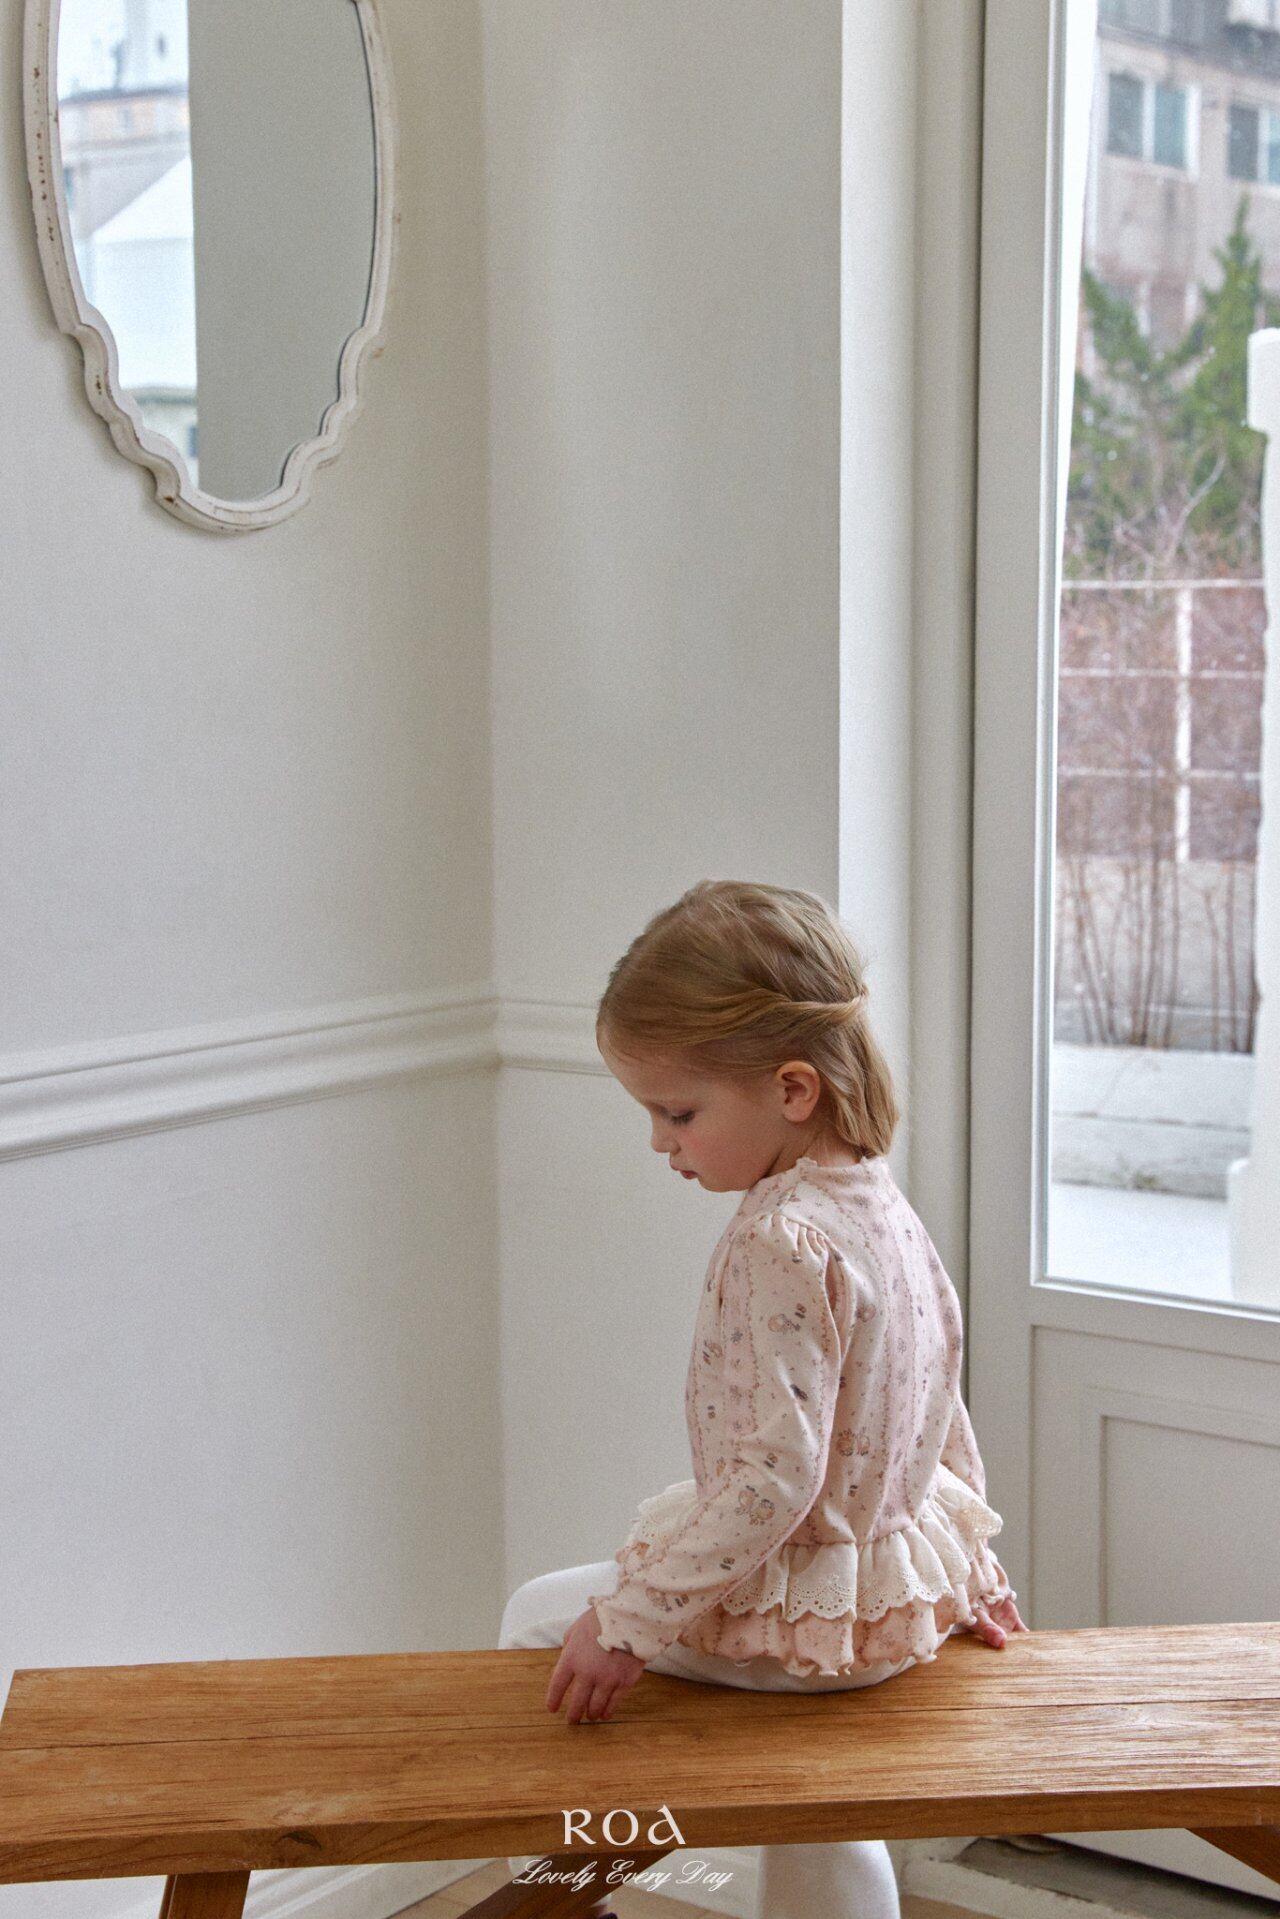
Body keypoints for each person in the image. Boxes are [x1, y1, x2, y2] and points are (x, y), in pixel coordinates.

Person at [499, 879, 1027, 1919]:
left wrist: (628, 1623)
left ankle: (568, 1897)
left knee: (537, 1620)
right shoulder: (880, 1201)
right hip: (883, 1609)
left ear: (792, 1089)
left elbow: (773, 1477)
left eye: (679, 1111)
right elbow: (936, 1399)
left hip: (806, 1614)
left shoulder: (780, 1237)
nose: (662, 1142)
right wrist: (971, 1567)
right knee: (813, 1797)